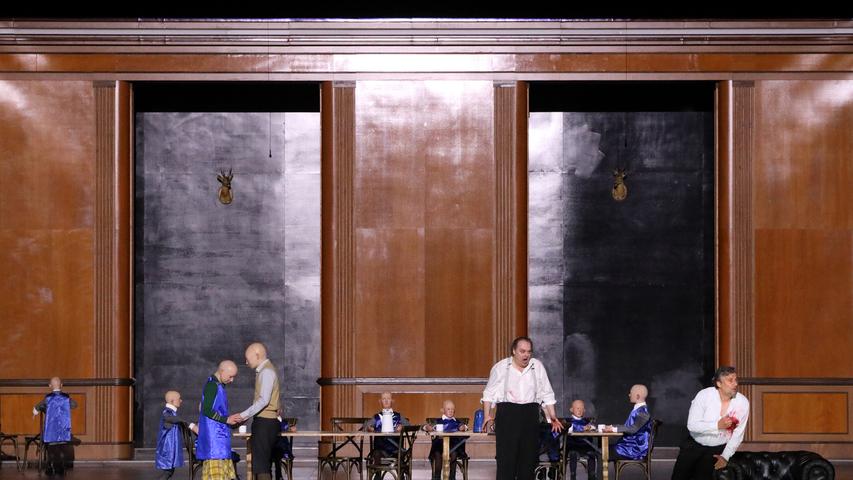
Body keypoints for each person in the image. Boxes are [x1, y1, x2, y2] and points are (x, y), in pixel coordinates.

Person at [482, 336, 564, 480]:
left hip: (530, 415)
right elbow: (489, 393)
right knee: (506, 460)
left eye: (529, 352)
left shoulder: (537, 366)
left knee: (528, 460)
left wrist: (553, 417)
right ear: (514, 351)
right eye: (522, 351)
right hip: (507, 414)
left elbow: (547, 393)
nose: (526, 355)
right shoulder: (501, 367)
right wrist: (487, 415)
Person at [671, 366, 750, 480]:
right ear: (719, 384)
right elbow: (692, 425)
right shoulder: (704, 396)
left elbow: (738, 434)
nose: (735, 384)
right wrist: (717, 425)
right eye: (730, 380)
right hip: (694, 444)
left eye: (736, 380)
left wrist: (725, 457)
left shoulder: (742, 403)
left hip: (716, 448)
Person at [227, 343, 282, 480]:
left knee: (261, 465)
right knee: (260, 464)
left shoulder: (266, 372)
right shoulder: (266, 371)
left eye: (248, 358)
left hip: (265, 423)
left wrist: (242, 415)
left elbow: (263, 400)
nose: (246, 362)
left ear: (257, 356)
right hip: (265, 422)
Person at [197, 360, 238, 480]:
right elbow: (206, 410)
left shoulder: (217, 386)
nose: (232, 380)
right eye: (230, 376)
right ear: (221, 371)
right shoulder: (212, 386)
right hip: (214, 443)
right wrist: (226, 420)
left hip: (219, 439)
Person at [33, 377, 77, 476]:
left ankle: (51, 467)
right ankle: (61, 468)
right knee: (62, 448)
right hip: (63, 429)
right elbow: (74, 405)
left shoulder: (48, 398)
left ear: (50, 386)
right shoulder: (66, 397)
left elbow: (37, 407)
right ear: (61, 385)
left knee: (51, 448)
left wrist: (35, 411)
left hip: (51, 429)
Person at [155, 390, 198, 480]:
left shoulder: (172, 413)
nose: (181, 400)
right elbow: (173, 419)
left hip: (170, 450)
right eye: (179, 399)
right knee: (168, 472)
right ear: (171, 401)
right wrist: (190, 425)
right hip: (167, 450)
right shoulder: (167, 413)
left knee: (169, 472)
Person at [364, 392, 410, 473]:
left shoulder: (398, 416)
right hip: (381, 449)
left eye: (388, 399)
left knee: (403, 454)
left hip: (396, 449)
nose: (386, 401)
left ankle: (401, 476)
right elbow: (366, 426)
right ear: (380, 401)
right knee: (376, 453)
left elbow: (409, 426)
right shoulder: (377, 417)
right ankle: (377, 476)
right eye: (384, 399)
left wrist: (403, 427)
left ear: (392, 401)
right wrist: (369, 428)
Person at [424, 400, 469, 480]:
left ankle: (452, 477)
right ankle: (436, 477)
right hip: (439, 446)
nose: (451, 411)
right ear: (443, 410)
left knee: (454, 454)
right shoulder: (437, 421)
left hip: (454, 446)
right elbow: (424, 427)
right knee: (437, 455)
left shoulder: (457, 421)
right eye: (448, 409)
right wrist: (427, 427)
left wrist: (463, 428)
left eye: (452, 409)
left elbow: (465, 427)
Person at [605, 384, 652, 460]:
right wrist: (612, 426)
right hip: (628, 446)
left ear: (637, 396)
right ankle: (595, 472)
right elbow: (628, 426)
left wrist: (614, 429)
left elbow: (633, 429)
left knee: (601, 452)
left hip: (633, 449)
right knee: (602, 448)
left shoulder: (643, 413)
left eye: (631, 393)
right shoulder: (638, 410)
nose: (629, 395)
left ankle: (596, 472)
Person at [564, 400, 598, 480]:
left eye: (582, 409)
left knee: (592, 453)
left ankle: (592, 475)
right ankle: (573, 475)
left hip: (585, 445)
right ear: (571, 410)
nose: (580, 411)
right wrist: (583, 428)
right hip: (573, 445)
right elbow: (570, 428)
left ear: (584, 410)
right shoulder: (567, 421)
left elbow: (593, 427)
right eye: (577, 408)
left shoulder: (586, 421)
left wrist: (591, 427)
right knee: (573, 453)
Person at [272, 410, 297, 480]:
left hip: (283, 449)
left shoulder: (284, 422)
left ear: (280, 411)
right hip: (271, 448)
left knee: (278, 452)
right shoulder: (269, 422)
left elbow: (286, 428)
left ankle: (279, 476)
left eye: (277, 410)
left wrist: (291, 429)